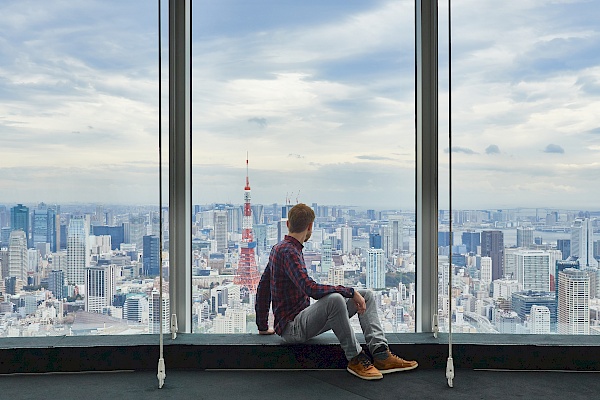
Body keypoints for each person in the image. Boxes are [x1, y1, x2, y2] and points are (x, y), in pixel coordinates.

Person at [255, 203, 418, 380]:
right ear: (310, 226)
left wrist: (262, 326)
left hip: (303, 321)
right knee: (336, 299)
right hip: (293, 328)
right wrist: (348, 291)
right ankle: (355, 358)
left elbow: (263, 288)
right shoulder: (289, 252)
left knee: (366, 296)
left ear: (288, 224)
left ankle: (381, 354)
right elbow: (310, 288)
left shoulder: (279, 249)